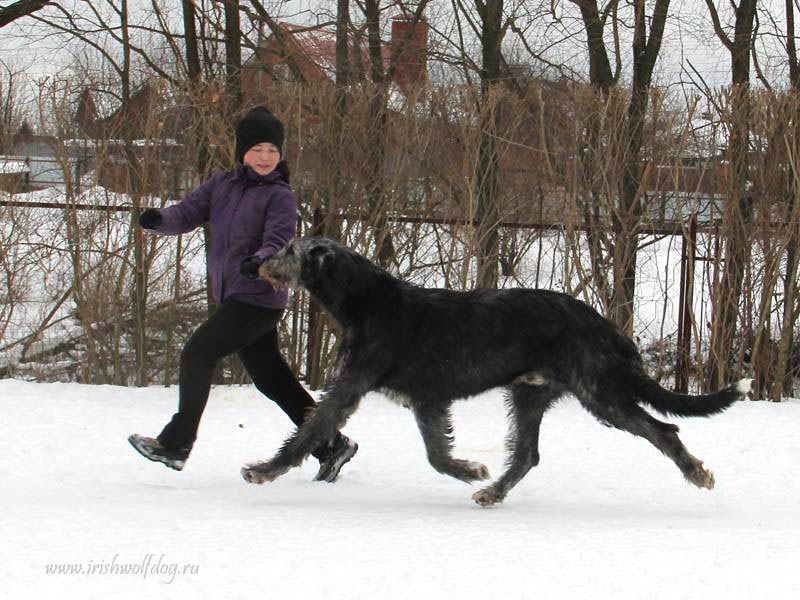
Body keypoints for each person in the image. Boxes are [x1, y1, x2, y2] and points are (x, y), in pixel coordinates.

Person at [128, 106, 357, 482]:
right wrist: (159, 221)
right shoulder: (223, 184)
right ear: (242, 151)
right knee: (272, 379)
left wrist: (261, 261)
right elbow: (187, 212)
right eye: (257, 149)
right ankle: (330, 445)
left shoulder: (280, 196)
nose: (266, 157)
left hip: (259, 296)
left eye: (273, 149)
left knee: (198, 354)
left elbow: (279, 238)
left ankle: (176, 445)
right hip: (235, 295)